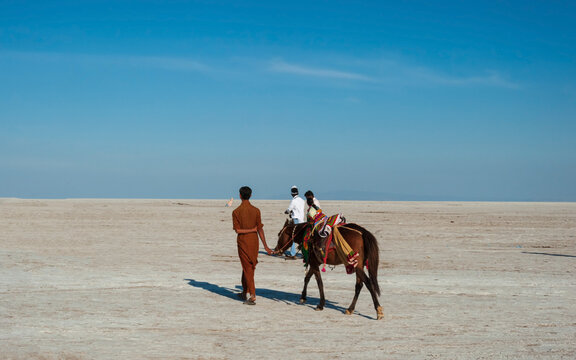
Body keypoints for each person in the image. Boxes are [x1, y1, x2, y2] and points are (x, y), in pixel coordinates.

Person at [232, 186, 272, 305]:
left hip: (243, 242)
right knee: (249, 267)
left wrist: (250, 230)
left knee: (247, 268)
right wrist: (265, 246)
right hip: (254, 242)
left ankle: (252, 295)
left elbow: (238, 230)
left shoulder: (236, 212)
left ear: (240, 195)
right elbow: (260, 229)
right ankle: (244, 291)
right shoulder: (256, 210)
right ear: (250, 195)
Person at [283, 185, 305, 258]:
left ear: (292, 193)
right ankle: (304, 253)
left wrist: (286, 212)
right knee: (301, 238)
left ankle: (293, 253)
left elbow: (288, 210)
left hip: (295, 220)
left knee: (292, 237)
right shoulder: (302, 200)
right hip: (302, 220)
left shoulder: (294, 201)